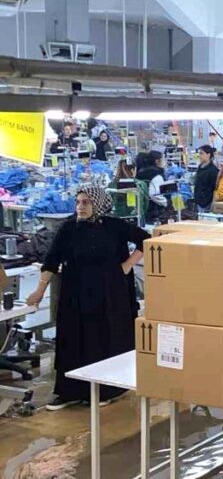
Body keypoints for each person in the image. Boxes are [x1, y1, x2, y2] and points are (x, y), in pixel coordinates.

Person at [26, 187, 150, 410]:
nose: (80, 207)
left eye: (86, 202)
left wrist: (127, 265)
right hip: (76, 292)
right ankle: (68, 392)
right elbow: (52, 260)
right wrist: (39, 291)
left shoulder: (114, 226)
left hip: (109, 292)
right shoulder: (69, 228)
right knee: (72, 339)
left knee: (103, 338)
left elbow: (146, 240)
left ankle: (105, 389)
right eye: (78, 202)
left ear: (98, 204)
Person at [137, 150, 169, 222]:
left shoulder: (141, 172)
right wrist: (167, 203)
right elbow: (155, 195)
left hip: (144, 209)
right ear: (157, 161)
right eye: (163, 159)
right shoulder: (156, 175)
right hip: (154, 211)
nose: (165, 161)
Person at [192, 145, 219, 211]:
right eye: (199, 153)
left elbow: (215, 189)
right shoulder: (200, 166)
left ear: (208, 155)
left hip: (206, 203)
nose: (199, 155)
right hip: (198, 200)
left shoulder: (213, 170)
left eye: (201, 153)